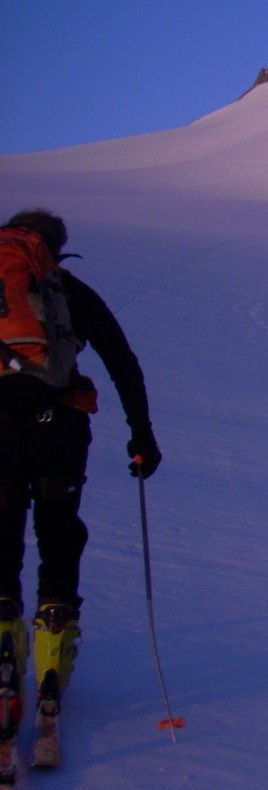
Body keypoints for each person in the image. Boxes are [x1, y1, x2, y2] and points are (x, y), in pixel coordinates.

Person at [0, 209, 161, 744]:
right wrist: (142, 436)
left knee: (2, 536)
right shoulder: (68, 291)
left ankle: (3, 661)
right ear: (55, 249)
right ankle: (50, 668)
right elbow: (122, 361)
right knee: (58, 533)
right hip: (60, 429)